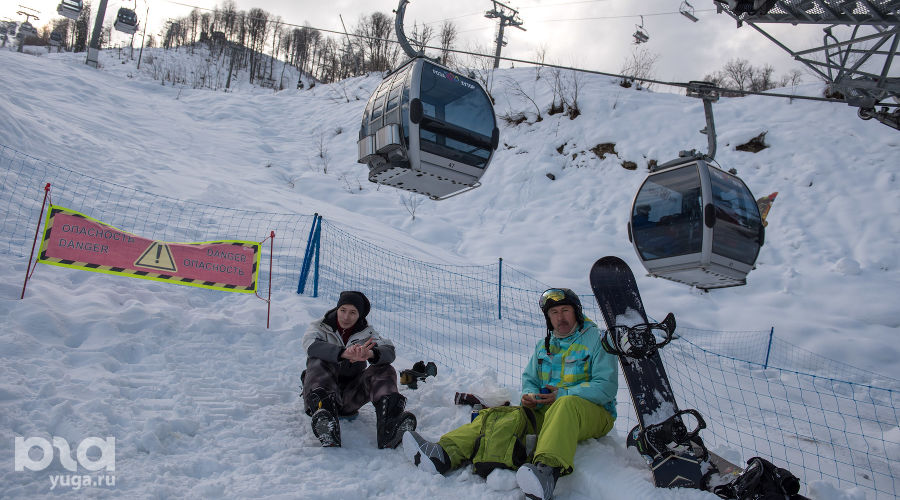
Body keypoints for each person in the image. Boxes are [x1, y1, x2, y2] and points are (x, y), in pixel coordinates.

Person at [402, 288, 618, 500]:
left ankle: (547, 472)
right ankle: (443, 454)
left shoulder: (596, 340)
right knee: (498, 415)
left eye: (565, 310)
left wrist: (563, 394)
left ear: (576, 312)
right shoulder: (544, 346)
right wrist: (530, 395)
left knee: (566, 403)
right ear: (548, 318)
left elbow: (606, 386)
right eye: (554, 313)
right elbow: (530, 379)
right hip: (550, 412)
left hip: (594, 414)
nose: (560, 317)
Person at [301, 290, 416, 449]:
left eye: (353, 312)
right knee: (318, 360)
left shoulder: (367, 333)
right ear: (337, 309)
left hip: (350, 397)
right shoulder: (320, 327)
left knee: (384, 367)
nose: (346, 317)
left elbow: (389, 351)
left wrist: (370, 353)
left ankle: (390, 425)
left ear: (360, 315)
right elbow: (311, 345)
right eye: (343, 310)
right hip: (321, 397)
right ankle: (326, 423)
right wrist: (343, 353)